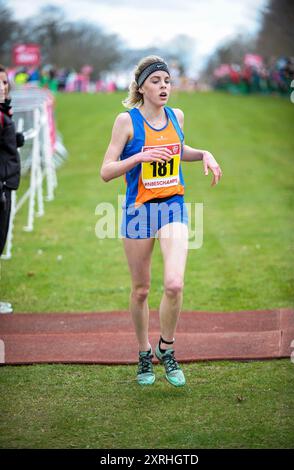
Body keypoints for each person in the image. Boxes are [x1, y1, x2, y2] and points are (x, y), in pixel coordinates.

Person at [100, 56, 222, 386]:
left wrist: (205, 154)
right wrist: (138, 156)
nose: (164, 86)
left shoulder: (176, 116)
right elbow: (105, 171)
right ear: (141, 87)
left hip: (172, 207)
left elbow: (178, 149)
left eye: (167, 81)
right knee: (141, 290)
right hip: (138, 210)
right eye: (156, 81)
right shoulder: (126, 122)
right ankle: (143, 354)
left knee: (174, 284)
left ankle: (166, 349)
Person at [0, 64, 24, 314]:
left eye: (5, 82)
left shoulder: (4, 112)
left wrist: (13, 139)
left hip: (7, 184)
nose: (2, 87)